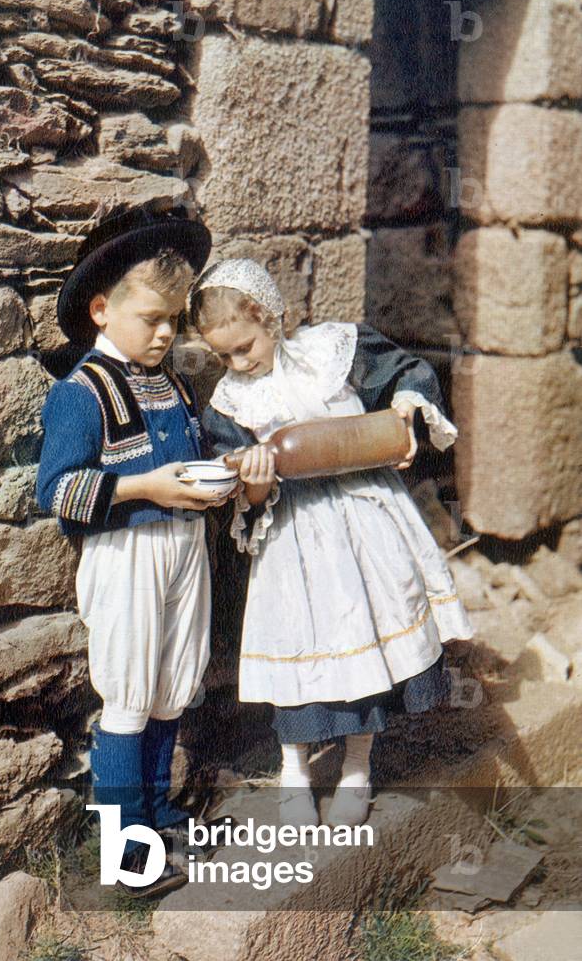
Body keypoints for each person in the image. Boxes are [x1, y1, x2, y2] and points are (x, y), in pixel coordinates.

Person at [187, 259, 474, 828]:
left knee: (366, 634)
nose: (237, 363)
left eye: (244, 347)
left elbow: (407, 373)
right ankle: (294, 768)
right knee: (301, 644)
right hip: (293, 533)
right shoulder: (230, 402)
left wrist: (404, 407)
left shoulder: (335, 349)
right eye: (224, 356)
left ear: (270, 318)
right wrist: (254, 482)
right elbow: (232, 476)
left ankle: (356, 767)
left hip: (365, 517)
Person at [36, 207, 230, 897]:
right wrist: (142, 485)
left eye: (173, 319)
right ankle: (125, 848)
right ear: (100, 309)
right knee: (128, 691)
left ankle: (157, 814)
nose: (164, 332)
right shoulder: (82, 392)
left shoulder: (173, 386)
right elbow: (56, 489)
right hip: (126, 553)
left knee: (172, 684)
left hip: (183, 548)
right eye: (151, 317)